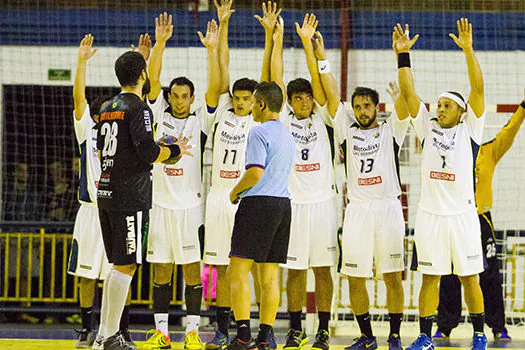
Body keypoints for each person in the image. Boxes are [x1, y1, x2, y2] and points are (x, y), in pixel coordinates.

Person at [393, 19, 488, 350]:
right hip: (430, 215)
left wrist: (468, 50)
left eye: (447, 105)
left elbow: (478, 89)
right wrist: (403, 56)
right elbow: (408, 92)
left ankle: (479, 334)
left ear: (462, 111)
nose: (440, 108)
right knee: (429, 277)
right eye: (439, 105)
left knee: (469, 278)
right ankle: (424, 335)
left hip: (462, 216)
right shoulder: (427, 127)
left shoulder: (470, 129)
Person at [95, 50, 192, 350]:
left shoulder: (109, 106)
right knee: (126, 267)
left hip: (106, 192)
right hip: (130, 196)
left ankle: (104, 335)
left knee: (118, 266)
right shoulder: (139, 108)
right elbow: (148, 153)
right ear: (141, 76)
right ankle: (109, 336)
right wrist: (173, 151)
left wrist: (155, 147)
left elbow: (106, 150)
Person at [69, 34, 152, 350]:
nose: (92, 111)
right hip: (96, 207)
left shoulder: (119, 119)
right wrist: (81, 62)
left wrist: (139, 63)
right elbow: (78, 97)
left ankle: (117, 331)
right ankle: (90, 330)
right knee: (94, 273)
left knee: (120, 269)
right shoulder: (87, 130)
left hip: (111, 201)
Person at [143, 12, 217, 350]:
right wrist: (160, 43)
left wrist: (212, 50)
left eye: (185, 95)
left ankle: (191, 332)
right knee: (160, 273)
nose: (180, 100)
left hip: (190, 208)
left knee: (191, 272)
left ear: (192, 97)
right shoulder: (159, 115)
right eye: (176, 95)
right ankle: (162, 333)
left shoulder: (200, 120)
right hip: (160, 205)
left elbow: (216, 87)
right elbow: (153, 80)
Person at [269, 12, 340, 350]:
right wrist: (277, 38)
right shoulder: (282, 119)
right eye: (298, 98)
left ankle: (323, 329)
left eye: (307, 97)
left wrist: (309, 44)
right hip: (293, 205)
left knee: (323, 269)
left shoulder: (325, 119)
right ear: (290, 102)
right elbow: (277, 78)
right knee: (295, 270)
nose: (304, 101)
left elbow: (319, 80)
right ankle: (296, 328)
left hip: (323, 205)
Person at [433, 90, 525, 342]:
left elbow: (509, 130)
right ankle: (445, 325)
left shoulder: (488, 151)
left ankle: (497, 327)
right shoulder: (445, 147)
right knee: (449, 275)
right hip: (452, 218)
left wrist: (524, 106)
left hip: (479, 220)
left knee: (489, 276)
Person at [201, 2, 263, 349]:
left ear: (254, 100)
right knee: (221, 267)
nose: (240, 103)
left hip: (246, 197)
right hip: (218, 195)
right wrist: (222, 25)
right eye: (237, 98)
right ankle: (222, 328)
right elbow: (222, 69)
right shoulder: (220, 111)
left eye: (245, 99)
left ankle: (248, 328)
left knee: (248, 267)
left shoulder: (260, 120)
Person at [227, 78, 295, 350]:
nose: (251, 107)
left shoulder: (258, 132)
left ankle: (243, 335)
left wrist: (235, 192)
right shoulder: (286, 134)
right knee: (269, 277)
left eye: (254, 102)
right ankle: (265, 338)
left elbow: (255, 172)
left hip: (257, 204)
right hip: (282, 206)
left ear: (262, 104)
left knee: (237, 272)